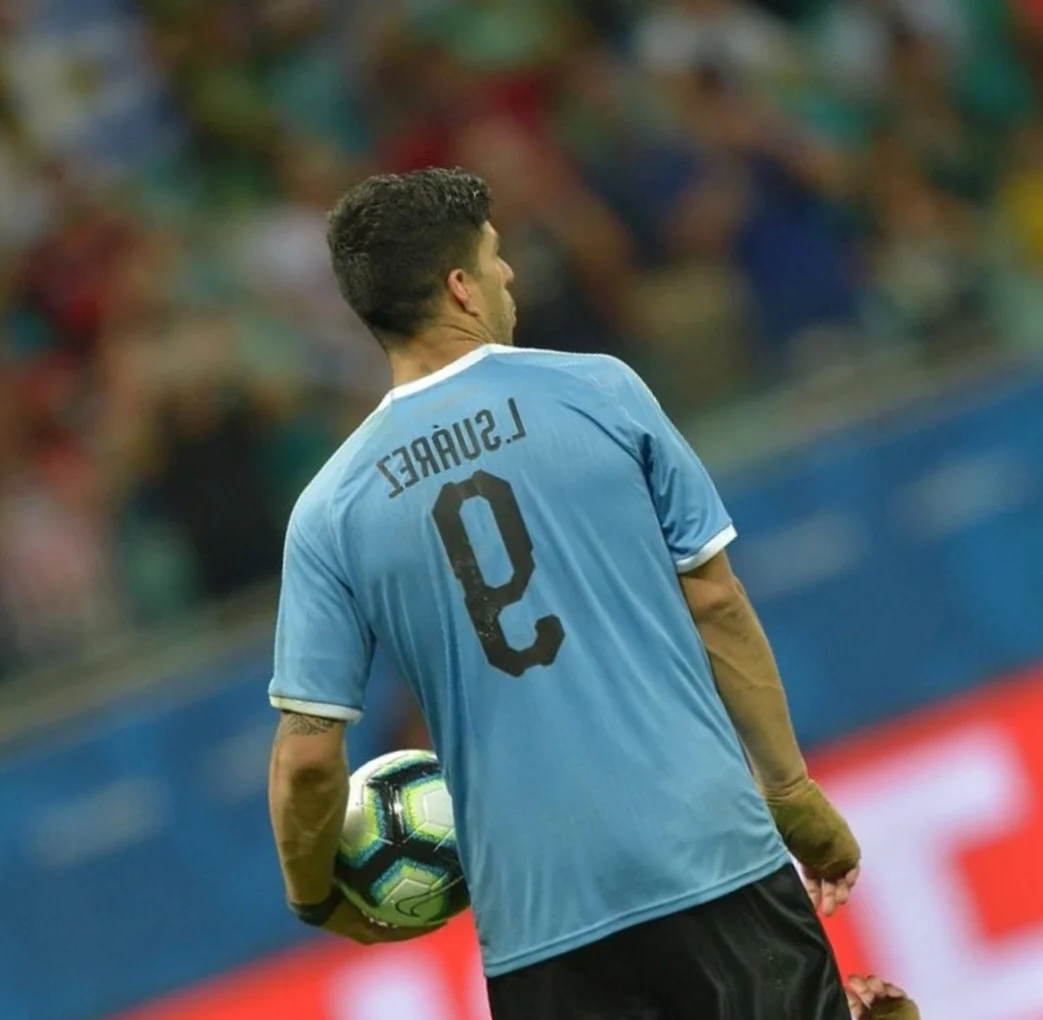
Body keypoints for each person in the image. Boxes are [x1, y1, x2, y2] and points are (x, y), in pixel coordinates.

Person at [265, 168, 863, 1019]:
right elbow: (716, 605)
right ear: (462, 288)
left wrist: (319, 899)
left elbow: (309, 757)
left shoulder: (329, 509)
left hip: (536, 926)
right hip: (708, 855)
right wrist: (793, 796)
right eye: (497, 257)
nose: (511, 276)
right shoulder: (599, 392)